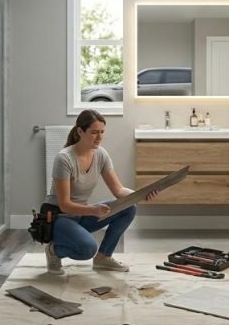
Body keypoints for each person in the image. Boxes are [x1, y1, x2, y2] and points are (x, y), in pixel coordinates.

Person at [43, 109, 157, 275]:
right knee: (87, 249)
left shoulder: (101, 155)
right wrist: (93, 210)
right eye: (94, 132)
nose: (99, 137)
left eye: (102, 132)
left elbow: (118, 190)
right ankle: (54, 251)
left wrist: (141, 195)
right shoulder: (64, 159)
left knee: (128, 208)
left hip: (82, 215)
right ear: (80, 131)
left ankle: (103, 258)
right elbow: (65, 205)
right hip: (60, 218)